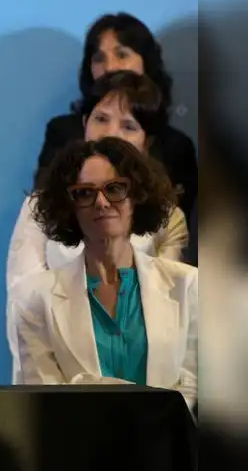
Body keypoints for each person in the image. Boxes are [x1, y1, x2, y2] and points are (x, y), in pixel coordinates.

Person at [7, 70, 189, 381]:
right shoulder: (39, 208)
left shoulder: (168, 218)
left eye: (128, 126)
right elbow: (23, 303)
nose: (110, 133)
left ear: (148, 141)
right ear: (84, 123)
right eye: (101, 118)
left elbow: (173, 324)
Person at [12, 137, 197, 409]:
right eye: (85, 193)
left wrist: (86, 386)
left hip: (167, 446)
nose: (101, 202)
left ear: (137, 197)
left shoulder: (189, 285)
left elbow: (191, 393)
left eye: (115, 188)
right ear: (69, 207)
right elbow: (48, 402)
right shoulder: (34, 298)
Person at [35, 12, 197, 221]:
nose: (109, 67)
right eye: (99, 58)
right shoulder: (63, 131)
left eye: (122, 54)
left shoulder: (176, 146)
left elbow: (174, 230)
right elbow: (44, 210)